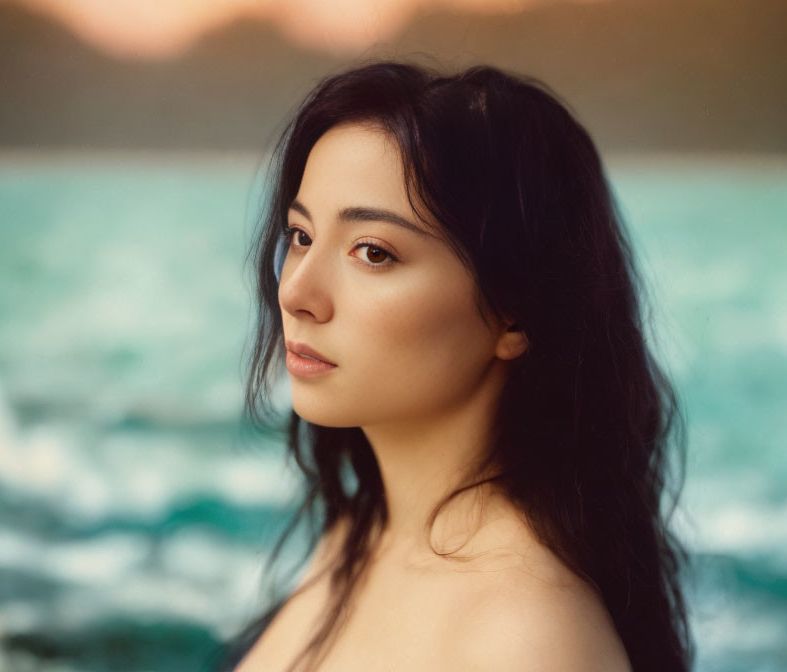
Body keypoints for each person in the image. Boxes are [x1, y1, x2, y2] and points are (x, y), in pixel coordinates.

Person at [219, 58, 694, 672]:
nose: (294, 293)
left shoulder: (527, 638)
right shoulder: (362, 536)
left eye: (373, 252)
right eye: (302, 237)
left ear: (514, 314)